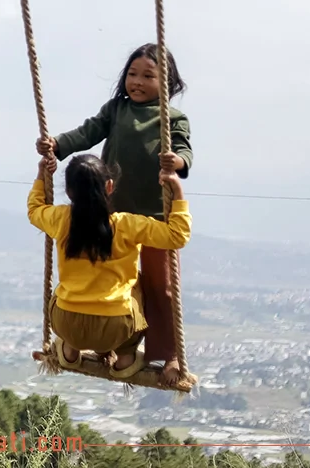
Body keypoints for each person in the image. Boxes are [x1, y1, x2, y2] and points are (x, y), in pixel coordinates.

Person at [35, 43, 192, 379]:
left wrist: (176, 162)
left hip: (154, 216)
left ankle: (169, 355)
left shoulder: (173, 120)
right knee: (102, 280)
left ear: (168, 82)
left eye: (148, 76)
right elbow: (88, 132)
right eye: (132, 74)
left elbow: (184, 153)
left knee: (160, 286)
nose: (137, 81)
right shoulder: (116, 110)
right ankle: (107, 343)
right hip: (110, 215)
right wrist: (58, 145)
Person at [26, 154, 191, 380]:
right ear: (110, 186)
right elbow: (177, 236)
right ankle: (125, 358)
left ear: (69, 192)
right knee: (138, 283)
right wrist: (177, 193)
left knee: (62, 292)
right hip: (116, 327)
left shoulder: (60, 219)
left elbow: (35, 209)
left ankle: (70, 351)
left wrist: (41, 176)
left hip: (67, 322)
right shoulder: (127, 225)